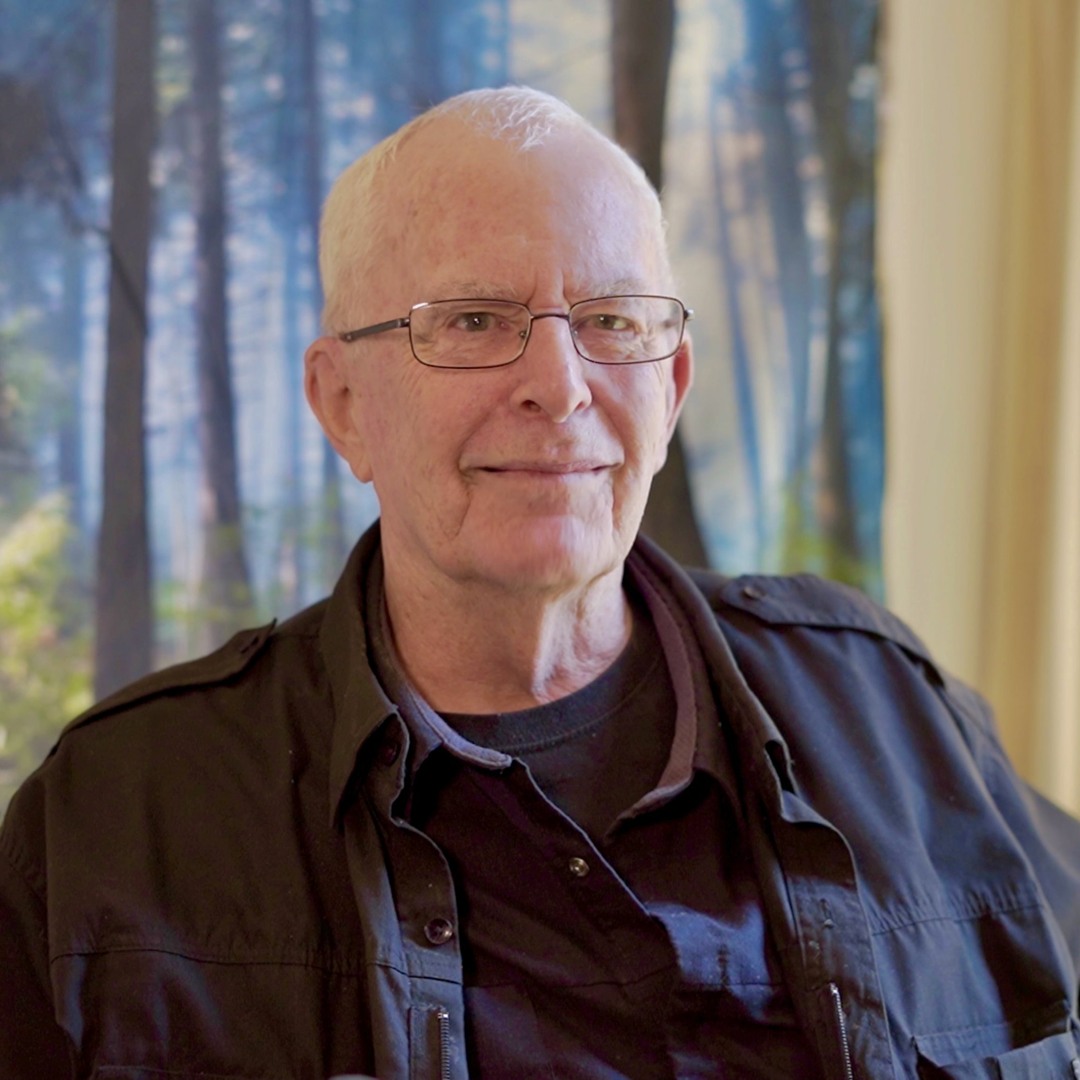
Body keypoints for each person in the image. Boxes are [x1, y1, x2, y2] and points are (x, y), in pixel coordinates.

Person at [2, 86, 1079, 1080]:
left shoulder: (893, 713)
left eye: (611, 320)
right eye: (474, 321)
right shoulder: (111, 825)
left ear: (672, 386)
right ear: (343, 405)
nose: (560, 388)